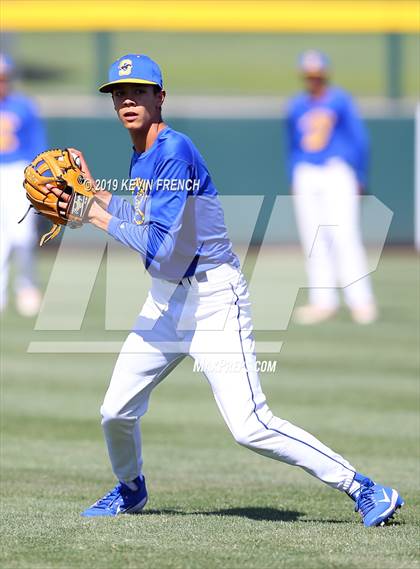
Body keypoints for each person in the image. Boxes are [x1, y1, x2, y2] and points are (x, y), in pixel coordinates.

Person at [52, 54, 402, 526]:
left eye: (138, 90)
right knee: (115, 411)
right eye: (119, 92)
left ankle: (364, 487)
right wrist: (98, 196)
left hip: (213, 299)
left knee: (250, 426)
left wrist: (92, 214)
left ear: (161, 97)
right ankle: (131, 489)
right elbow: (145, 220)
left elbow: (158, 248)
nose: (127, 99)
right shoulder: (143, 154)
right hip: (165, 302)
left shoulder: (174, 151)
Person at [286, 50, 377, 325]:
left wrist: (359, 173)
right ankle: (322, 300)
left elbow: (360, 140)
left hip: (336, 171)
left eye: (317, 74)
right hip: (307, 172)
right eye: (309, 75)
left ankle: (361, 300)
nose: (313, 80)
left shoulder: (340, 100)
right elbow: (291, 144)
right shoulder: (296, 105)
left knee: (344, 234)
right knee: (313, 238)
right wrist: (293, 174)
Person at [0, 53, 47, 316]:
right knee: (0, 238)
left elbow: (36, 146)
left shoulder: (23, 106)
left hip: (18, 171)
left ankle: (26, 285)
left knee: (23, 234)